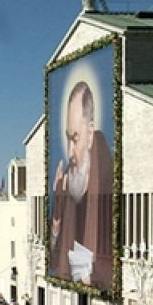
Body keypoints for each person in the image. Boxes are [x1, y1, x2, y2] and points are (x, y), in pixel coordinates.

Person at [49, 79, 114, 288]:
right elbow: (55, 259)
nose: (70, 153)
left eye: (75, 139)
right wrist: (57, 218)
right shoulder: (69, 184)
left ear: (90, 133)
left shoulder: (106, 181)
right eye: (68, 139)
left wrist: (88, 275)